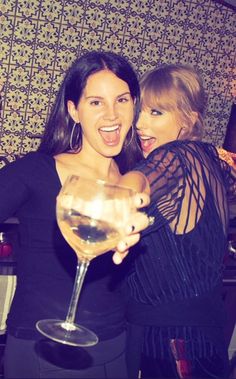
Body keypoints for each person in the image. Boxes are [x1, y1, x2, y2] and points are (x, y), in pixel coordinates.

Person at [0, 50, 150, 378]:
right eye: (96, 102)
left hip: (115, 346)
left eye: (122, 100)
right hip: (44, 348)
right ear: (74, 111)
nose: (112, 114)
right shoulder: (36, 171)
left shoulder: (132, 182)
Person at [124, 64, 236, 378]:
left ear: (188, 119)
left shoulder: (173, 156)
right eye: (140, 112)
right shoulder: (212, 159)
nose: (141, 125)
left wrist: (112, 195)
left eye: (156, 113)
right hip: (206, 333)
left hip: (174, 340)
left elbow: (139, 184)